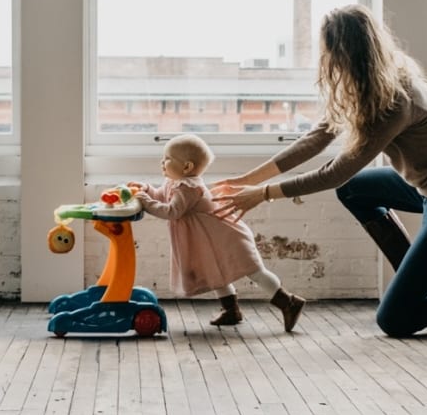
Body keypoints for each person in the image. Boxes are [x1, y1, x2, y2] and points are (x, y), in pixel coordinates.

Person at [213, 4, 427, 338]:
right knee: (354, 190)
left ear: (344, 53)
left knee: (396, 321)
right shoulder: (367, 85)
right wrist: (250, 179)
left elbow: (335, 172)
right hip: (422, 186)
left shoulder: (395, 100)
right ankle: (412, 274)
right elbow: (317, 138)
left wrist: (264, 194)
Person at [129, 134, 306, 332]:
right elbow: (161, 196)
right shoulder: (175, 182)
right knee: (215, 273)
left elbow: (171, 211)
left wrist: (145, 201)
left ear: (187, 167)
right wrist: (145, 190)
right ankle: (231, 311)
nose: (162, 162)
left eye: (167, 158)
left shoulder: (189, 187)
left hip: (227, 239)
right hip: (210, 241)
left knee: (255, 272)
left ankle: (288, 302)